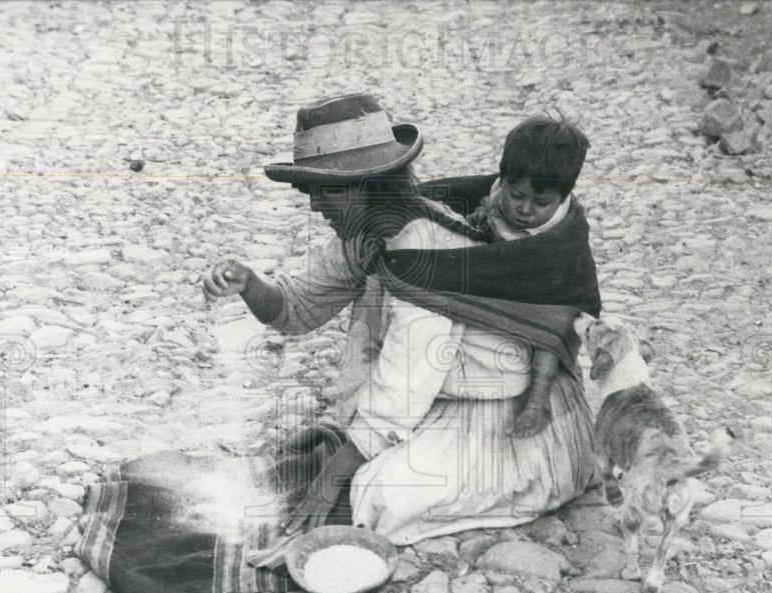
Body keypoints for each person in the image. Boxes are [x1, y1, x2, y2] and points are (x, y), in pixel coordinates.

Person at [203, 93, 597, 546]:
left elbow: (404, 386)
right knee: (358, 478)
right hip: (434, 403)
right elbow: (297, 308)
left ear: (367, 188)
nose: (314, 206)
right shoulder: (368, 234)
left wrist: (331, 478)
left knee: (378, 498)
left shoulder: (425, 253)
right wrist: (249, 283)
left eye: (323, 191)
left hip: (513, 416)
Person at [467, 116, 592, 438]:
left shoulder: (560, 233)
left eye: (540, 202)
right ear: (503, 179)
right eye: (517, 195)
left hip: (543, 294)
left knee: (553, 328)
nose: (525, 209)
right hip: (496, 281)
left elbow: (570, 285)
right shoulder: (496, 193)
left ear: (564, 197)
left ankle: (538, 401)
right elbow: (482, 206)